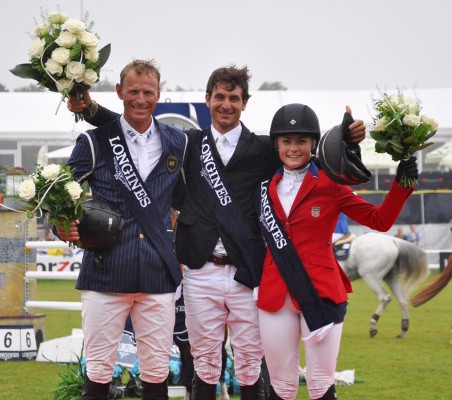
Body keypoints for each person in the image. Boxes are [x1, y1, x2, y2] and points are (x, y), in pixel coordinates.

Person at [66, 65, 366, 400]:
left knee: (250, 364)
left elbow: (306, 149)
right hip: (199, 268)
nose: (226, 104)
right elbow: (135, 123)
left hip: (245, 272)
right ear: (207, 100)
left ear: (245, 103)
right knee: (205, 364)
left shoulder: (265, 148)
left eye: (234, 98)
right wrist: (89, 109)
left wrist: (347, 138)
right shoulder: (186, 143)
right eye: (220, 97)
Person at [255, 103, 418, 400]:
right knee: (280, 387)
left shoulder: (332, 184)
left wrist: (402, 181)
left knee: (320, 386)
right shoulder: (264, 186)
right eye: (287, 141)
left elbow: (380, 221)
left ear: (313, 144)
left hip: (322, 293)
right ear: (276, 144)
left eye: (301, 141)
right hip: (276, 294)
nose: (294, 148)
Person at [57, 59, 188, 400]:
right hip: (105, 272)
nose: (140, 99)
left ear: (159, 95)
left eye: (148, 92)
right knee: (98, 375)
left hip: (158, 275)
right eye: (133, 92)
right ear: (119, 92)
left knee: (158, 377)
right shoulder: (94, 141)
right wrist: (61, 225)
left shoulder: (178, 142)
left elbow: (187, 202)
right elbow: (62, 192)